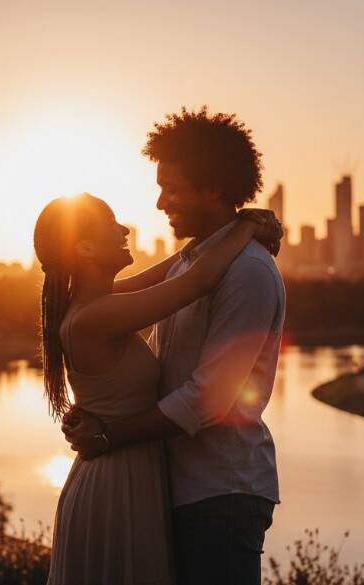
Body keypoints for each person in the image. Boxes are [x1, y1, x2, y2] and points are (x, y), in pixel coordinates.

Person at [63, 107, 286, 585]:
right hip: (177, 488)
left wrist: (109, 434)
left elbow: (207, 400)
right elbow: (102, 306)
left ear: (215, 189)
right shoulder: (190, 262)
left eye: (172, 188)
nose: (160, 202)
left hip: (221, 494)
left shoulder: (247, 271)